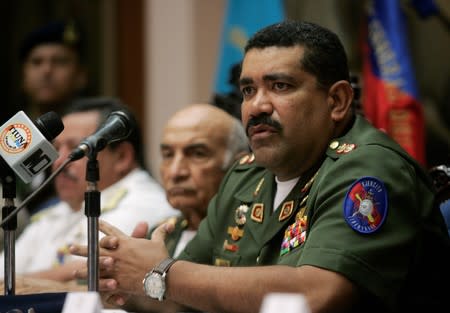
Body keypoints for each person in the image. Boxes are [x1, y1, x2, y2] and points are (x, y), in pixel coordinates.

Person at [71, 21, 450, 313]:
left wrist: (163, 273)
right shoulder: (246, 174)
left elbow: (317, 295)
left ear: (336, 101)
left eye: (280, 86)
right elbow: (189, 296)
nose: (256, 106)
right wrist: (126, 284)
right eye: (249, 89)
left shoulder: (370, 169)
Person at [0, 97, 176, 282]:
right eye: (57, 147)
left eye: (76, 147)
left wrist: (13, 284)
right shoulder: (59, 210)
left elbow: (90, 271)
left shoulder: (144, 201)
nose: (58, 161)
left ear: (123, 157)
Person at [19, 20, 89, 215]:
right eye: (37, 62)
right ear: (23, 77)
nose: (47, 70)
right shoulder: (11, 136)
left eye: (59, 61)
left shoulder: (94, 130)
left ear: (81, 75)